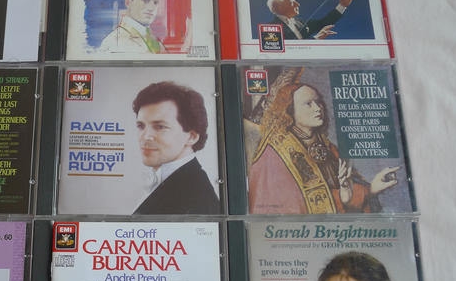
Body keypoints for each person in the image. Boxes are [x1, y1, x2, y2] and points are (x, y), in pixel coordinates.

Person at [249, 82, 399, 214]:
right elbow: (290, 207)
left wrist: (371, 189)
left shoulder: (327, 146)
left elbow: (345, 193)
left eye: (318, 102)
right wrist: (342, 197)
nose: (318, 108)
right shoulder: (273, 156)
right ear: (289, 110)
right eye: (308, 104)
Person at [132, 82, 220, 214]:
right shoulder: (177, 181)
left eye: (160, 127)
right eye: (141, 126)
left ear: (191, 137)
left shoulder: (195, 196)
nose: (145, 137)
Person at [99, 0, 166, 54]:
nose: (152, 8)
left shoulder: (153, 39)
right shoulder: (114, 42)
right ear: (128, 3)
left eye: (155, 2)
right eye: (145, 1)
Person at [266, 0, 357, 40]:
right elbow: (282, 52)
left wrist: (342, 5)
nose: (298, 4)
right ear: (279, 7)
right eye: (292, 3)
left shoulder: (299, 22)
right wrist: (315, 39)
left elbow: (323, 23)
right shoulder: (270, 29)